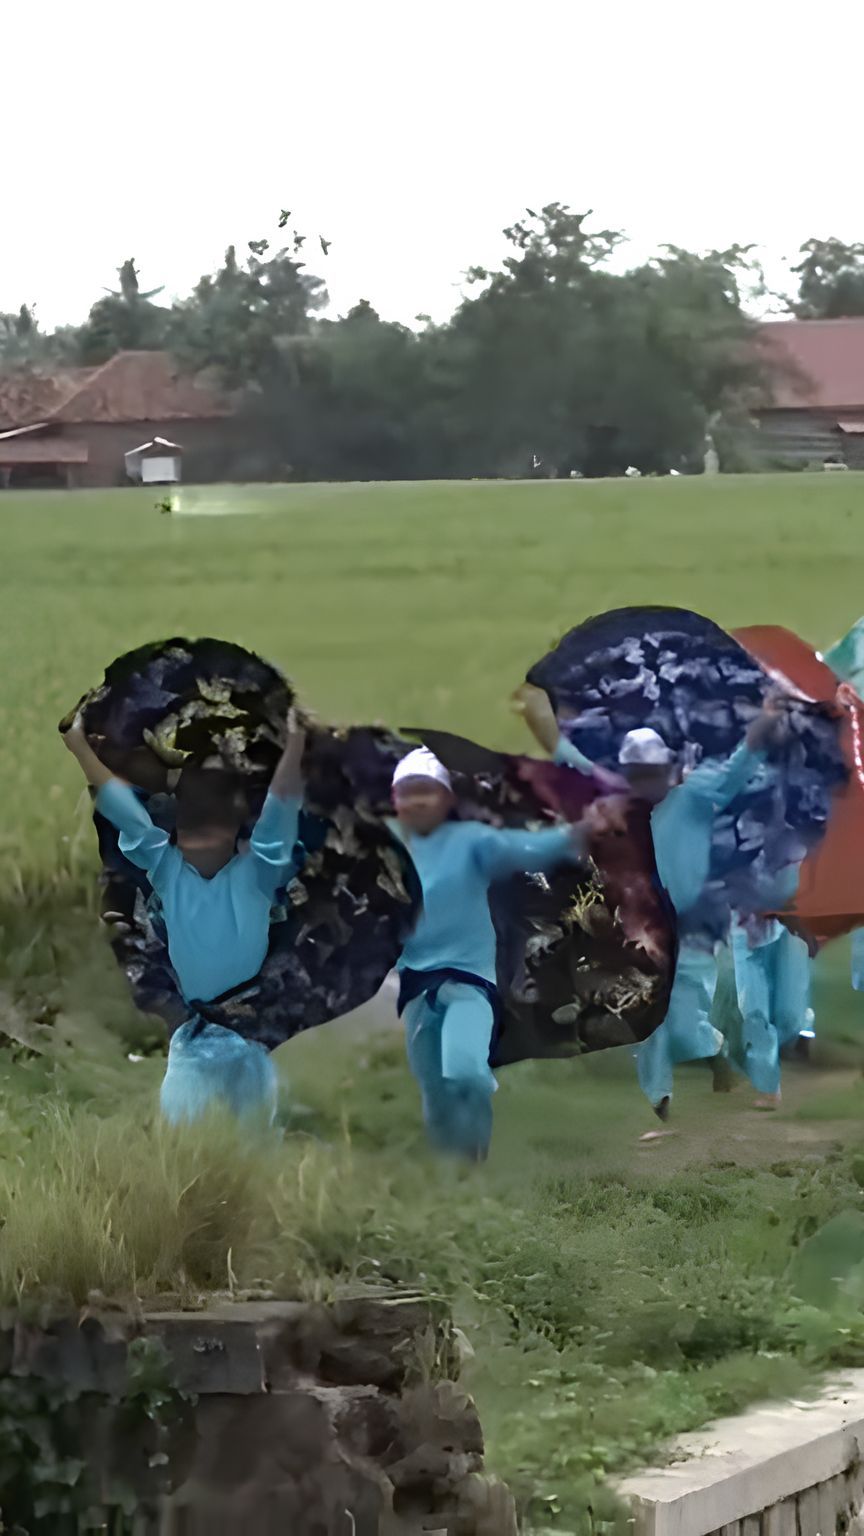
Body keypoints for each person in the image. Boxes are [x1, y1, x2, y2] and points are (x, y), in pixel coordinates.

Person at [517, 685, 788, 1119]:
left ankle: (714, 1052)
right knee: (646, 1018)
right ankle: (658, 1103)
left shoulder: (698, 794)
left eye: (653, 772)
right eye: (637, 774)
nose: (646, 782)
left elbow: (742, 761)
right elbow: (565, 753)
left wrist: (769, 717)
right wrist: (535, 709)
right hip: (641, 928)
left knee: (682, 1024)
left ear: (669, 769)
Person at [63, 709, 307, 1126]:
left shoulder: (256, 873)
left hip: (250, 1039)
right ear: (179, 833)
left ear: (234, 832)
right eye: (192, 831)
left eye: (213, 830)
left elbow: (281, 810)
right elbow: (127, 815)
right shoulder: (170, 872)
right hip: (193, 1041)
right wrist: (80, 747)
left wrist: (297, 742)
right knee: (183, 1143)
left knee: (253, 1153)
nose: (202, 842)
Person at [387, 746, 603, 1160]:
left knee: (466, 1070)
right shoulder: (390, 851)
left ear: (446, 798)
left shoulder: (472, 842)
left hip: (469, 978)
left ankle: (474, 1157)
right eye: (406, 792)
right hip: (416, 985)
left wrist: (579, 831)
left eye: (425, 790)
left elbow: (529, 851)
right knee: (434, 1090)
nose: (415, 801)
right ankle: (452, 1182)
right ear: (394, 799)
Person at [729, 912, 813, 1108]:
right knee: (755, 1013)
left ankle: (762, 1066)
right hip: (745, 928)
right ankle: (768, 1085)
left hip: (787, 923)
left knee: (791, 1014)